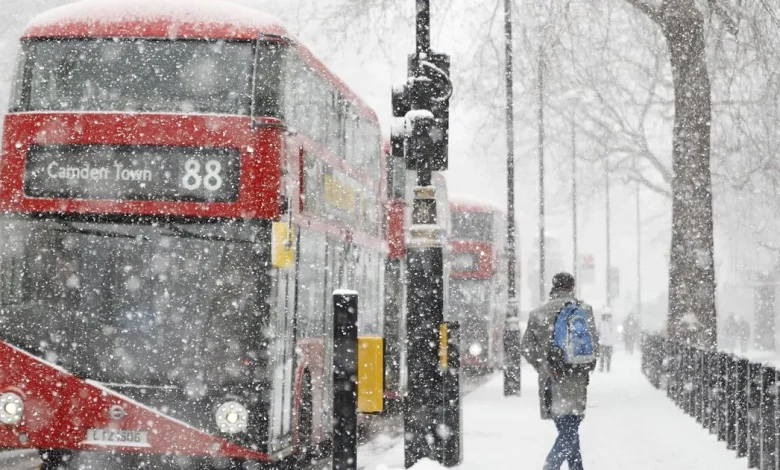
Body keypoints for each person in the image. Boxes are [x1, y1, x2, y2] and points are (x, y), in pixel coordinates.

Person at [521, 272, 599, 470]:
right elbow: (594, 347)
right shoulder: (584, 310)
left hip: (551, 381)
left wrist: (544, 366)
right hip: (577, 381)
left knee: (567, 431)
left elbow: (526, 348)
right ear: (572, 287)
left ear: (553, 287)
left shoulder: (538, 314)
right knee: (570, 431)